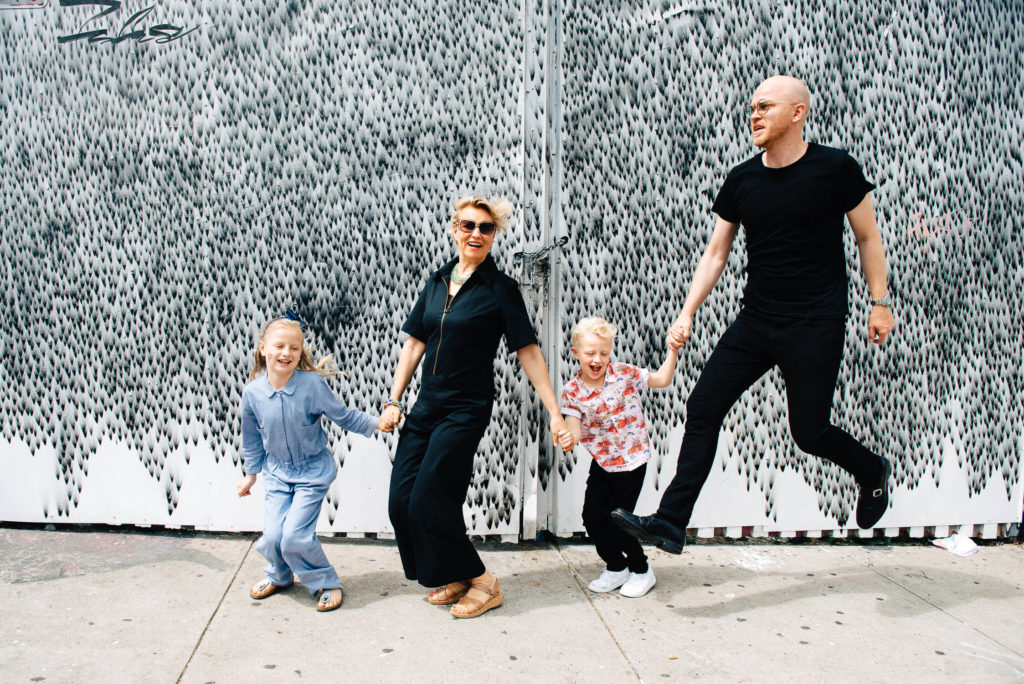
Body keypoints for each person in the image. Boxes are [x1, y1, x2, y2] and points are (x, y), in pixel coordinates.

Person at [613, 75, 896, 554]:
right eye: (752, 107)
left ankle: (872, 470)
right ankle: (670, 521)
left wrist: (880, 302)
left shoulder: (835, 169)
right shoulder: (742, 179)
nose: (755, 115)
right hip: (758, 320)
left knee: (810, 433)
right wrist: (687, 313)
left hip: (815, 321)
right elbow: (715, 254)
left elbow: (868, 237)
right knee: (702, 406)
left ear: (798, 113)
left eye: (765, 106)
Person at [380, 196, 570, 619]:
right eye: (468, 225)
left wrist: (555, 413)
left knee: (430, 496)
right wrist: (394, 400)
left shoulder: (500, 290)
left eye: (486, 228)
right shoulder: (436, 280)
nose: (476, 234)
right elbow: (414, 343)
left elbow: (530, 352)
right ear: (455, 229)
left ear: (493, 236)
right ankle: (455, 573)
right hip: (427, 403)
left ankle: (483, 581)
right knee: (400, 500)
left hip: (466, 407)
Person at [236, 312, 392, 611]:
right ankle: (280, 576)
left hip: (311, 474)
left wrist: (377, 423)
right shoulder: (253, 392)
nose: (287, 353)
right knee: (272, 538)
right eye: (279, 346)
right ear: (263, 348)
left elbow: (342, 414)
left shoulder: (311, 386)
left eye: (294, 348)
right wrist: (251, 474)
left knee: (294, 537)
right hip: (277, 474)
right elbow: (251, 437)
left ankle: (325, 581)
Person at [559, 317, 679, 598]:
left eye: (603, 352)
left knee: (619, 520)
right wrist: (568, 437)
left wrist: (672, 350)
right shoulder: (572, 391)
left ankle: (641, 570)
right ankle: (616, 567)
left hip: (633, 461)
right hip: (603, 463)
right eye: (590, 353)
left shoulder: (624, 374)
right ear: (576, 353)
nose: (597, 359)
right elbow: (574, 428)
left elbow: (662, 379)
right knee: (592, 517)